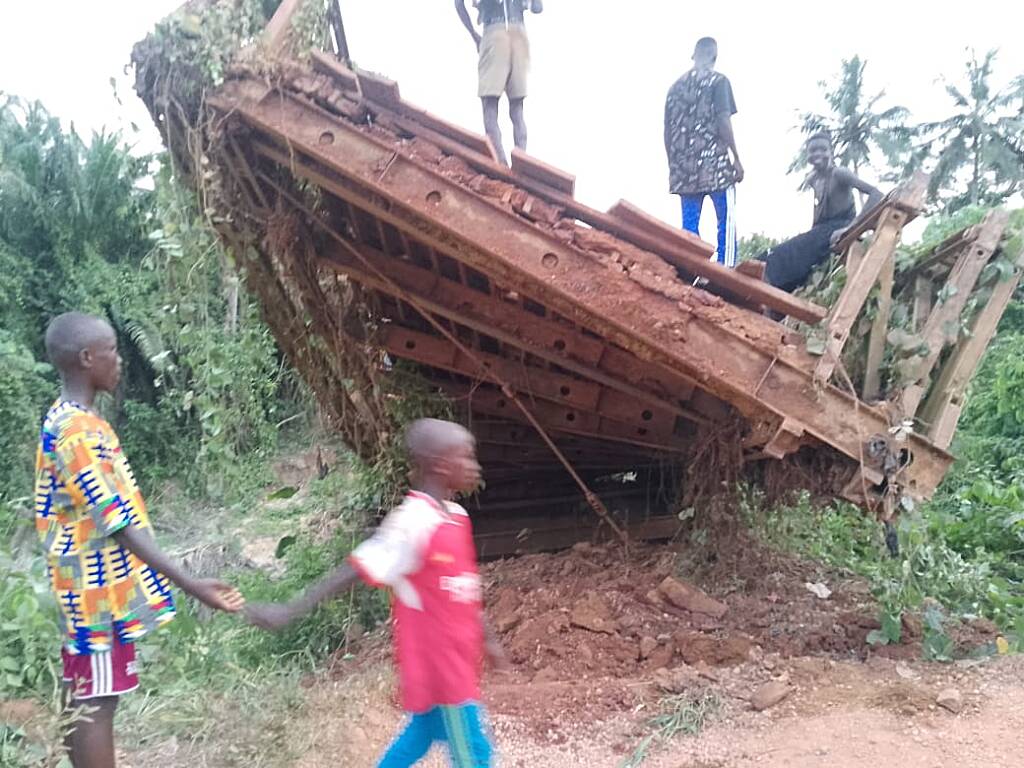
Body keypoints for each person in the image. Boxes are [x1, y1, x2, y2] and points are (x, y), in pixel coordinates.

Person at [34, 312, 245, 768]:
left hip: (89, 586)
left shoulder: (74, 420)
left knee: (89, 693)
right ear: (88, 358)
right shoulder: (77, 433)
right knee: (98, 699)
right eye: (112, 350)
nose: (120, 360)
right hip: (97, 592)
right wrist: (193, 585)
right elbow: (119, 524)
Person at [247, 418, 508, 767]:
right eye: (468, 457)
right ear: (442, 465)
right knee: (475, 755)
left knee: (423, 733)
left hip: (458, 661)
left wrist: (487, 639)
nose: (475, 466)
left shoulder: (457, 517)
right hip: (441, 669)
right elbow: (359, 566)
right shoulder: (413, 521)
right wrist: (292, 609)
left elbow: (463, 590)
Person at [761, 132, 883, 292]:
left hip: (841, 225)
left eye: (822, 149)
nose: (817, 154)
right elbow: (818, 210)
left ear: (830, 152)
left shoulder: (840, 173)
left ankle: (765, 281)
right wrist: (811, 234)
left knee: (787, 252)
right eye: (812, 151)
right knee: (786, 250)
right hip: (821, 229)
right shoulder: (813, 179)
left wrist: (852, 227)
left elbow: (876, 194)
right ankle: (771, 289)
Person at [664, 36, 744, 269]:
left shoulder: (674, 88)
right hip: (715, 166)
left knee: (689, 225)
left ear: (693, 55)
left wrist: (674, 164)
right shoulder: (718, 82)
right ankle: (727, 269)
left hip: (683, 169)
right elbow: (723, 120)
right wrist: (736, 158)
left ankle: (690, 270)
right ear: (714, 57)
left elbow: (667, 132)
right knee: (726, 219)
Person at [455, 0, 543, 166]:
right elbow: (538, 8)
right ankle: (520, 163)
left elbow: (458, 3)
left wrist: (474, 34)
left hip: (494, 32)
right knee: (517, 109)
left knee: (490, 106)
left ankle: (500, 164)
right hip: (519, 34)